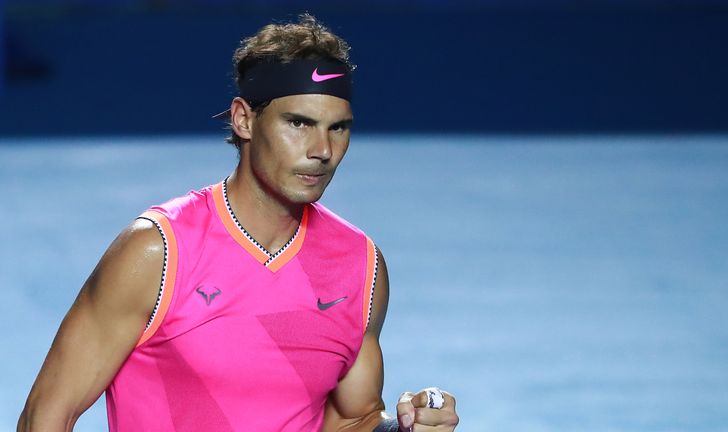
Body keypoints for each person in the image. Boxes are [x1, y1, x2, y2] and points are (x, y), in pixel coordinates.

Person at [17, 13, 460, 432]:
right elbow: (46, 416)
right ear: (244, 120)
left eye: (338, 128)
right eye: (299, 123)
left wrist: (403, 428)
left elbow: (351, 419)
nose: (322, 150)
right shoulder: (157, 253)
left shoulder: (360, 267)